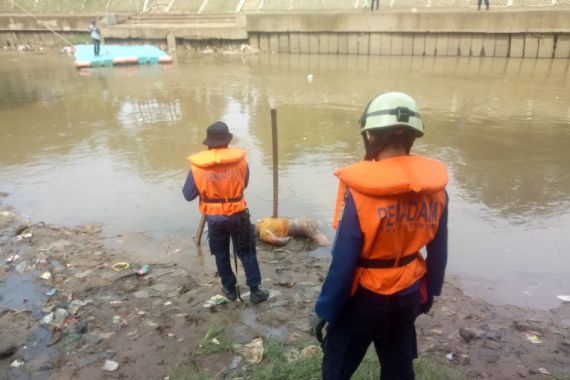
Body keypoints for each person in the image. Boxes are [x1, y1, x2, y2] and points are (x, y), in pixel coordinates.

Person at [313, 92, 449, 380]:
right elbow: (439, 251)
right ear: (412, 136)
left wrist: (326, 309)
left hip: (365, 298)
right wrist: (430, 291)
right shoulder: (436, 190)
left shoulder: (361, 192)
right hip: (408, 292)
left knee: (337, 365)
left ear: (371, 136)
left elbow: (344, 261)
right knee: (399, 366)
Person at [183, 121, 269, 304]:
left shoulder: (197, 167)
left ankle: (229, 290)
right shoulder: (240, 162)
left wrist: (208, 189)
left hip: (214, 219)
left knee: (220, 253)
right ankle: (255, 291)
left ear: (208, 144)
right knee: (246, 251)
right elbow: (243, 184)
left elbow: (188, 195)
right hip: (238, 214)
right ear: (228, 141)